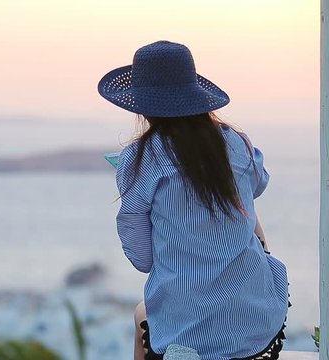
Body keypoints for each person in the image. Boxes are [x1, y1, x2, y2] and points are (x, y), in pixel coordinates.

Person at [98, 41, 290, 360]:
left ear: (141, 105)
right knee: (248, 217)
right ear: (196, 95)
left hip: (187, 335)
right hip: (256, 319)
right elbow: (260, 183)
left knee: (141, 316)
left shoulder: (140, 158)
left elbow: (142, 259)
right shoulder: (235, 142)